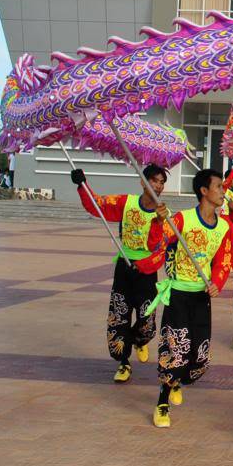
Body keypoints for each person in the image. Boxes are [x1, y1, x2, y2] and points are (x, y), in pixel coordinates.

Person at [136, 168, 233, 428]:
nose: (222, 192)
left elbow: (224, 261)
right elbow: (157, 244)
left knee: (200, 359)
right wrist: (159, 222)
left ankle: (177, 381)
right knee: (176, 350)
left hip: (200, 298)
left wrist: (216, 284)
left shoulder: (224, 228)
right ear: (204, 191)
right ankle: (162, 401)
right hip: (179, 297)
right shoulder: (181, 220)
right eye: (218, 187)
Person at [72, 163, 169, 383]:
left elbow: (160, 248)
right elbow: (97, 206)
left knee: (148, 322)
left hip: (147, 271)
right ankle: (123, 362)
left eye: (162, 182)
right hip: (124, 269)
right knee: (119, 317)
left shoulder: (164, 213)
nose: (158, 185)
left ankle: (139, 341)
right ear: (143, 182)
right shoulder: (126, 203)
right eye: (154, 180)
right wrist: (81, 184)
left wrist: (144, 264)